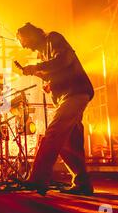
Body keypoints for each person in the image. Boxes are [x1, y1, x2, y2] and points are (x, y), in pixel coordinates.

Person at [17, 22, 95, 196]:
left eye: (23, 40)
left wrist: (37, 68)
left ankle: (38, 177)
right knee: (69, 142)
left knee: (54, 133)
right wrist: (46, 81)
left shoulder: (53, 38)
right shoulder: (42, 53)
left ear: (31, 35)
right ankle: (82, 183)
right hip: (66, 96)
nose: (24, 45)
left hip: (75, 93)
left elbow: (63, 60)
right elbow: (56, 72)